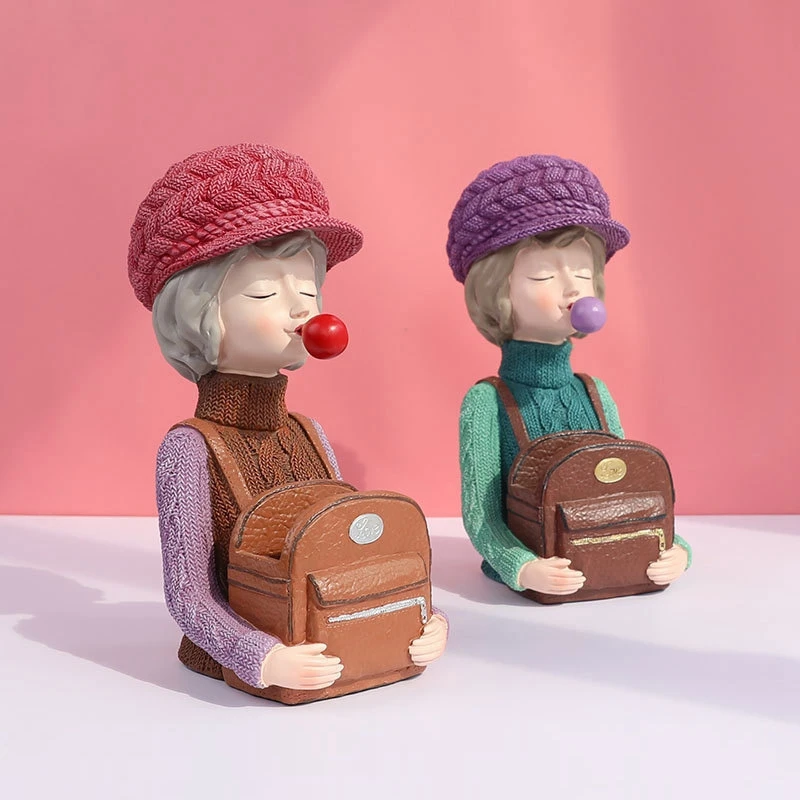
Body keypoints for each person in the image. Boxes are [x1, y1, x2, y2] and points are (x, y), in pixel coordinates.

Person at [128, 143, 447, 693]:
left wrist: (421, 616)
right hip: (244, 662)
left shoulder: (307, 432)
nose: (303, 309)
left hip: (332, 645)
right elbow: (188, 595)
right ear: (195, 314)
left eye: (307, 288)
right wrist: (259, 657)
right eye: (263, 291)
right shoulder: (189, 450)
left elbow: (342, 547)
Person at [446, 154, 691, 598]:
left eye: (583, 272)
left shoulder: (594, 392)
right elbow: (481, 515)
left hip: (608, 570)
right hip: (539, 577)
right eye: (543, 274)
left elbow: (624, 486)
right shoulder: (486, 402)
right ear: (495, 290)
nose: (574, 288)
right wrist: (520, 567)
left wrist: (673, 546)